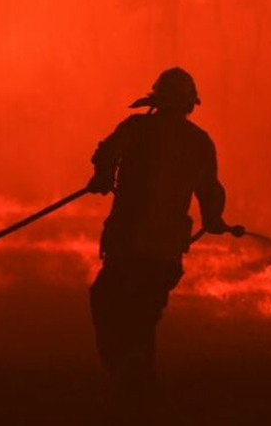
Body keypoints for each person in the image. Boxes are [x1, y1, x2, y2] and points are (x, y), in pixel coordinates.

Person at [87, 67, 229, 422]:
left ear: (155, 100)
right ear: (188, 105)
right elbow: (210, 193)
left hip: (127, 247)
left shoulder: (136, 129)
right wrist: (213, 219)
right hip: (164, 256)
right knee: (142, 319)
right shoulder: (199, 142)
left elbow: (106, 154)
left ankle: (132, 391)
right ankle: (136, 393)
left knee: (108, 304)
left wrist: (103, 176)